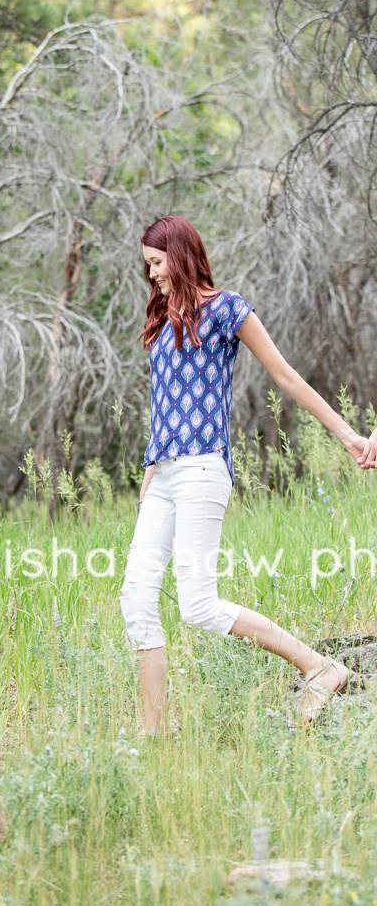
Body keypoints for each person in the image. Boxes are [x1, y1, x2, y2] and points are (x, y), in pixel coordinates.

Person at [121, 215, 370, 734]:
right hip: (164, 472)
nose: (152, 275)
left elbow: (285, 376)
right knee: (137, 598)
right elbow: (162, 403)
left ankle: (319, 666)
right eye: (147, 265)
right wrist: (150, 469)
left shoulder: (226, 309)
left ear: (181, 255)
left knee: (198, 605)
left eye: (157, 262)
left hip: (202, 469)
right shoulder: (164, 319)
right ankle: (154, 735)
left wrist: (349, 437)